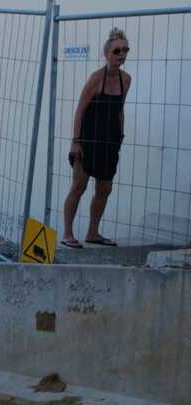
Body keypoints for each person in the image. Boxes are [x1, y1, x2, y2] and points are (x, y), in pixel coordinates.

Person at [61, 28, 131, 248]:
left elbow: (120, 109)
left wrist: (121, 134)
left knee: (104, 189)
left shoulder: (126, 80)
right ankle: (67, 233)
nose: (121, 54)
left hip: (110, 142)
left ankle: (93, 233)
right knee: (79, 187)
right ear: (106, 53)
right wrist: (76, 141)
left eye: (125, 50)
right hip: (88, 140)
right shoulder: (95, 79)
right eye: (117, 51)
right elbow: (80, 111)